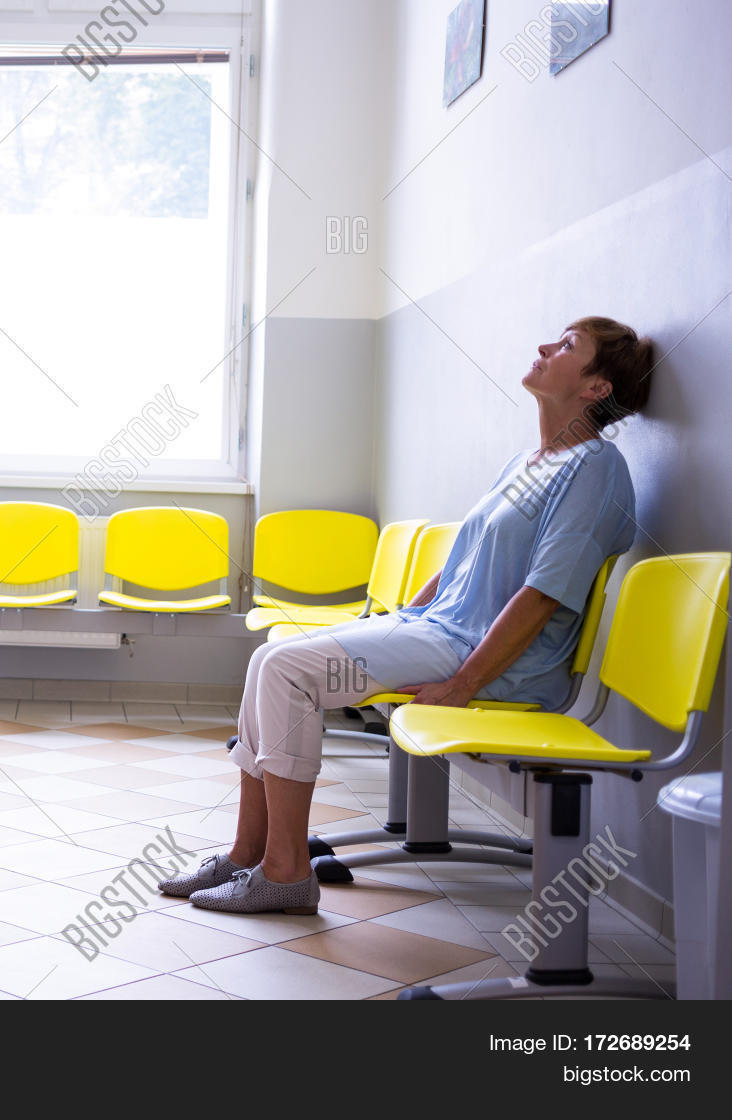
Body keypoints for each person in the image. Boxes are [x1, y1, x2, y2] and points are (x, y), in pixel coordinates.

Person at [160, 316, 654, 914]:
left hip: (485, 656)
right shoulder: (525, 463)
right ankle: (248, 852)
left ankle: (286, 872)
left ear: (596, 387)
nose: (545, 346)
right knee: (270, 658)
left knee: (289, 673)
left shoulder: (595, 468)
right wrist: (394, 621)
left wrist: (463, 684)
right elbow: (461, 564)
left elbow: (544, 593)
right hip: (439, 630)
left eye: (568, 346)